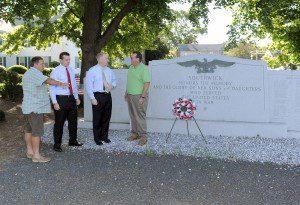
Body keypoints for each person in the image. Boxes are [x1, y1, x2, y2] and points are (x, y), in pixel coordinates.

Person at [22, 56, 68, 163]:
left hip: (28, 107)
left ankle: (30, 151)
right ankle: (37, 156)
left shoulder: (28, 73)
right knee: (36, 132)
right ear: (35, 64)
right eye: (42, 64)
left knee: (29, 130)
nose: (44, 66)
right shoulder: (35, 73)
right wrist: (60, 83)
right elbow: (48, 80)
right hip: (35, 108)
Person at [50, 52, 83, 152]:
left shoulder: (71, 70)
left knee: (73, 122)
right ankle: (57, 144)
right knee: (59, 123)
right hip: (61, 99)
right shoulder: (56, 71)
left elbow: (73, 85)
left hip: (71, 99)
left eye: (69, 59)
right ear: (61, 60)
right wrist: (55, 102)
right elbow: (52, 88)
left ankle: (72, 141)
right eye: (66, 60)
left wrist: (76, 98)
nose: (68, 61)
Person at [86, 52, 116, 145]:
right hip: (97, 96)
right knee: (97, 118)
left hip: (107, 95)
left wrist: (112, 85)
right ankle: (97, 138)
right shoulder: (92, 70)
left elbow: (114, 81)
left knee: (106, 117)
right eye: (106, 58)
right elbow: (89, 85)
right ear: (100, 59)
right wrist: (92, 98)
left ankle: (104, 136)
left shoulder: (109, 70)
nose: (108, 60)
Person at [125, 51, 150, 146]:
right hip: (130, 95)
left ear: (138, 59)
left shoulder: (143, 68)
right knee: (133, 116)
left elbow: (147, 83)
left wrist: (142, 97)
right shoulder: (131, 67)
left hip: (139, 96)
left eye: (132, 58)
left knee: (140, 116)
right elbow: (130, 81)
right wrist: (126, 92)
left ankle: (143, 137)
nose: (131, 59)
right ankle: (135, 134)